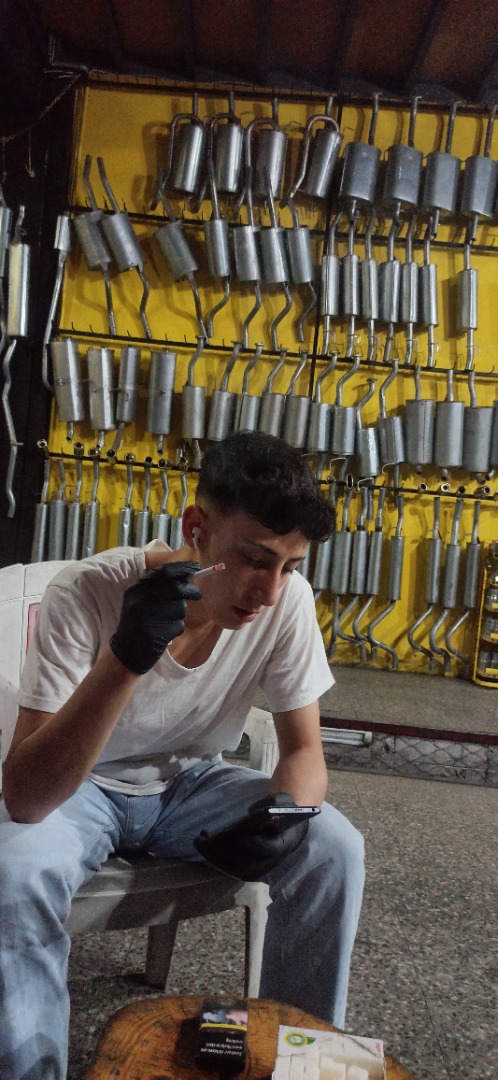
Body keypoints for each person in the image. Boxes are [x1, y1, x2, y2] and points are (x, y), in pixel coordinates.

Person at [0, 430, 365, 1080]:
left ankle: (305, 1064)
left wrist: (289, 812)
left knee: (334, 846)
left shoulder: (286, 604)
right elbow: (25, 797)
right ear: (197, 528)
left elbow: (305, 750)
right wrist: (126, 657)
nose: (270, 591)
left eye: (289, 566)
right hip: (82, 788)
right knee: (14, 872)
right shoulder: (87, 593)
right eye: (254, 560)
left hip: (188, 783)